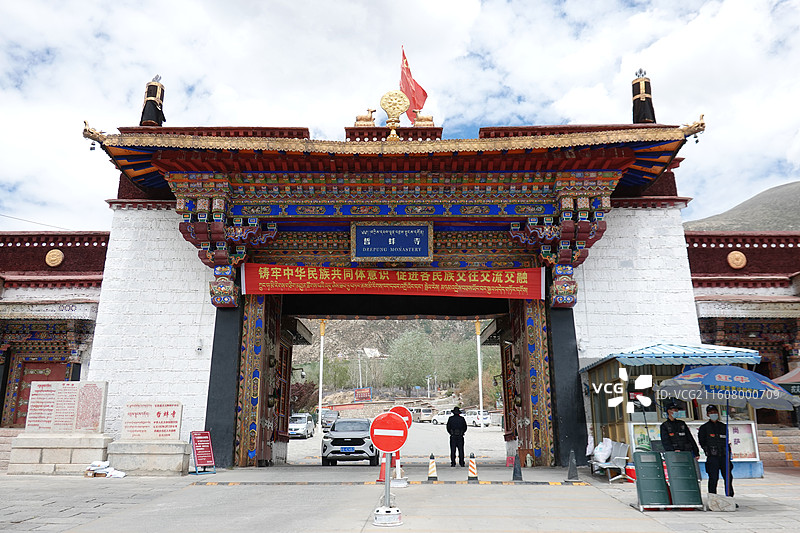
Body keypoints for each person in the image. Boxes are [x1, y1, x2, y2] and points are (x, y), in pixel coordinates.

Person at [698, 405, 734, 497]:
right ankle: (712, 498)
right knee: (713, 478)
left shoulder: (723, 426)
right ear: (707, 414)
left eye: (714, 412)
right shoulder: (704, 428)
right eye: (711, 413)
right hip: (712, 457)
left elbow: (726, 440)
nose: (713, 414)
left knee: (728, 477)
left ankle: (729, 497)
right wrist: (708, 450)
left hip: (724, 456)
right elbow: (702, 442)